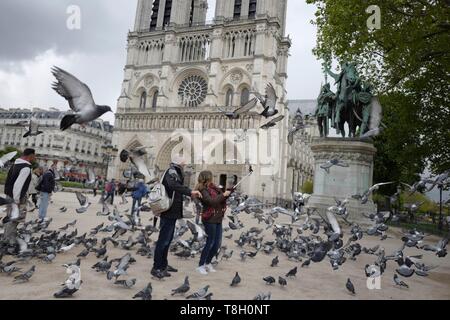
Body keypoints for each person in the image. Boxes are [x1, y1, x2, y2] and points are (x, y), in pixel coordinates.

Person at [151, 155, 202, 278]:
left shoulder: (175, 171)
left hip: (172, 211)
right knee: (163, 240)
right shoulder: (171, 171)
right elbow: (173, 185)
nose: (185, 164)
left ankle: (163, 264)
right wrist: (190, 192)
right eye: (184, 161)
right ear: (179, 162)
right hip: (168, 211)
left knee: (167, 240)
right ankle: (156, 267)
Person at [195, 171, 231, 275]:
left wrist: (227, 194)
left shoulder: (215, 188)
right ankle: (201, 265)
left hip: (218, 218)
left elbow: (220, 199)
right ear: (208, 178)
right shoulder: (202, 189)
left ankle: (208, 262)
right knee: (210, 243)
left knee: (217, 244)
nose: (213, 179)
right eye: (211, 177)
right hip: (209, 219)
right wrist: (223, 194)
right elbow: (211, 201)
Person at [2, 149, 36, 246]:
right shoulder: (25, 168)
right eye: (34, 156)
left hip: (9, 195)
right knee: (16, 219)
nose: (35, 158)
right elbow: (18, 185)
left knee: (10, 217)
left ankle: (6, 238)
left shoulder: (15, 164)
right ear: (30, 155)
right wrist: (16, 201)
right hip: (17, 197)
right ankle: (9, 241)